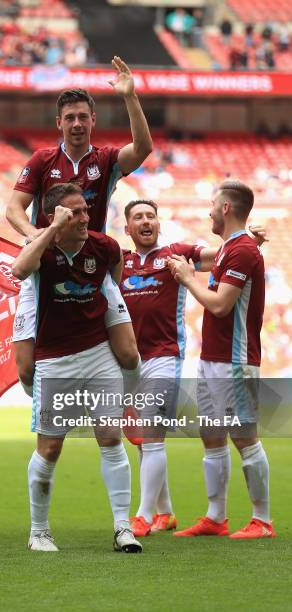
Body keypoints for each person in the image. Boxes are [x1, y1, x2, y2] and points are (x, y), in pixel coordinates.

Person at [6, 56, 152, 396]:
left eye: (82, 117)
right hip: (45, 266)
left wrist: (130, 96)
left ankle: (128, 404)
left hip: (91, 262)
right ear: (59, 123)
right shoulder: (42, 160)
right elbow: (13, 208)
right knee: (26, 369)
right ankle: (45, 404)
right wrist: (37, 237)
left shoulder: (105, 160)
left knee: (129, 354)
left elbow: (143, 149)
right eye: (69, 117)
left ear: (93, 121)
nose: (76, 123)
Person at [120, 199, 266, 537]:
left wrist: (249, 243)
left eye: (151, 216)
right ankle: (165, 513)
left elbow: (223, 258)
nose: (146, 221)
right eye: (138, 217)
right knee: (143, 441)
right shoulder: (121, 262)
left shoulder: (178, 253)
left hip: (164, 355)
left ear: (159, 223)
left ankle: (141, 516)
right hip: (129, 360)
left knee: (153, 434)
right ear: (127, 228)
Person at [11, 183, 142, 553]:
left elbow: (114, 271)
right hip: (54, 358)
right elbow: (20, 270)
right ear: (56, 216)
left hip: (98, 352)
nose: (84, 218)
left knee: (110, 437)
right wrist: (52, 229)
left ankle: (123, 527)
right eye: (75, 213)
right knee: (50, 448)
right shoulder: (41, 247)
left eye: (85, 210)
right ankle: (39, 531)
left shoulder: (104, 247)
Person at [168, 180, 275, 539]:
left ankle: (262, 520)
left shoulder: (242, 250)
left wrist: (186, 278)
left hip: (236, 359)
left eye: (213, 205)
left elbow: (220, 303)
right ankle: (216, 517)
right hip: (214, 357)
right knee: (211, 434)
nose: (209, 211)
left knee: (245, 436)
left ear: (226, 208)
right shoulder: (232, 249)